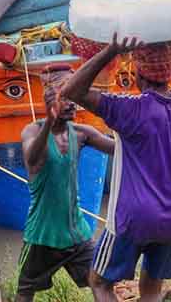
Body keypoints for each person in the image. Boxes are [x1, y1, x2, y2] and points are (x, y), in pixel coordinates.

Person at [61, 35, 171, 302]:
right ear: (169, 73)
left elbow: (71, 91)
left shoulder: (129, 110)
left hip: (132, 218)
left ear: (140, 75)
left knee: (99, 281)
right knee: (151, 289)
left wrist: (111, 51)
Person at [16, 64, 115, 301]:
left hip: (76, 233)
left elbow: (119, 149)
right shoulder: (32, 131)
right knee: (24, 291)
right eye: (66, 98)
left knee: (101, 281)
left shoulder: (81, 133)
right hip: (42, 235)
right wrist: (49, 122)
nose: (73, 103)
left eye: (74, 97)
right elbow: (32, 161)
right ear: (49, 100)